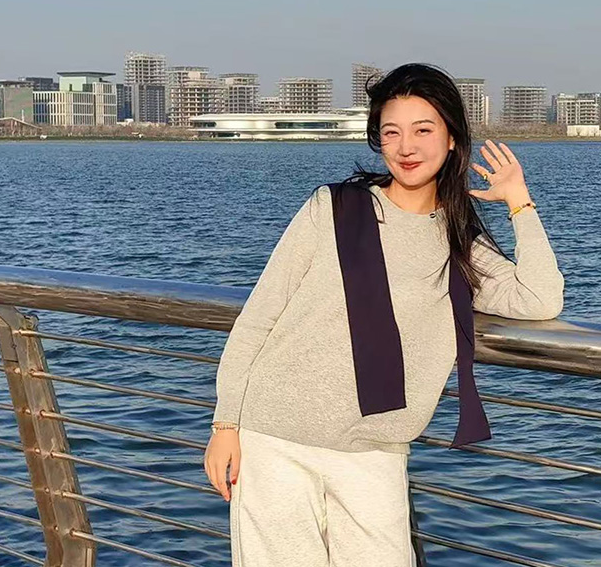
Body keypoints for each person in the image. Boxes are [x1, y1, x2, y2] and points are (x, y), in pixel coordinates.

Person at [204, 63, 565, 566]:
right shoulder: (333, 208)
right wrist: (225, 425)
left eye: (423, 130)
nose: (406, 147)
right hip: (276, 437)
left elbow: (539, 299)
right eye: (391, 132)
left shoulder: (459, 241)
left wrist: (519, 202)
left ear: (453, 139)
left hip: (376, 450)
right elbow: (260, 317)